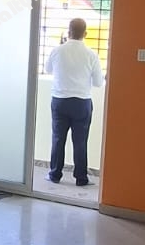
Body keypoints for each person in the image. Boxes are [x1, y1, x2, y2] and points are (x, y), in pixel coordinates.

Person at [43, 17, 104, 187]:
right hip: (82, 103)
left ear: (68, 31)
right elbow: (98, 83)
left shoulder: (57, 51)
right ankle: (81, 178)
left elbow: (47, 70)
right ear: (85, 34)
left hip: (60, 101)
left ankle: (55, 174)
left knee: (58, 139)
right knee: (80, 141)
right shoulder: (91, 54)